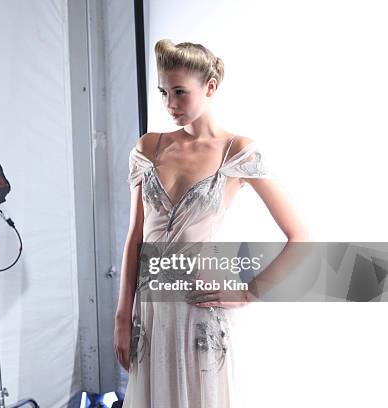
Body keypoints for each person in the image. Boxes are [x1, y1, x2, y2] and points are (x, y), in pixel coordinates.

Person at [114, 39, 308, 407]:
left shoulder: (236, 152)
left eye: (180, 92)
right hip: (150, 312)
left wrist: (250, 292)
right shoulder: (147, 148)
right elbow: (134, 239)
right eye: (163, 92)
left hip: (199, 309)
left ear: (210, 87)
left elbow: (299, 237)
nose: (170, 104)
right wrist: (122, 317)